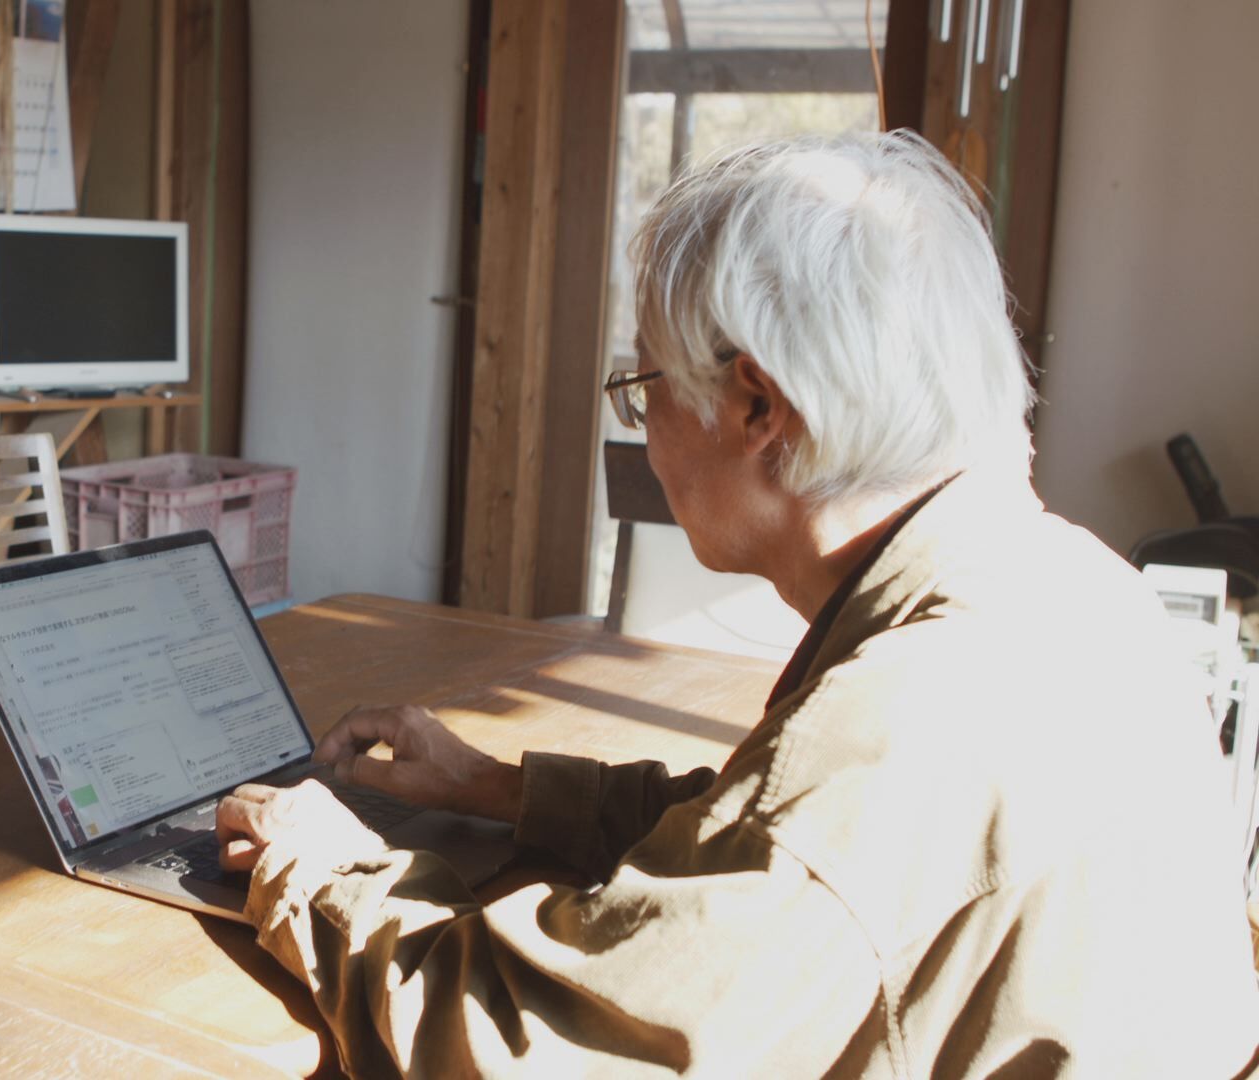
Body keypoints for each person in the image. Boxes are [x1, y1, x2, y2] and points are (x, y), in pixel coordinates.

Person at [216, 131, 1259, 1076]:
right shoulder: (1078, 585)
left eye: (645, 386)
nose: (642, 421)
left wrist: (330, 872)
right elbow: (766, 848)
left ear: (758, 405)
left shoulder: (897, 725)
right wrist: (499, 784)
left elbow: (515, 1052)